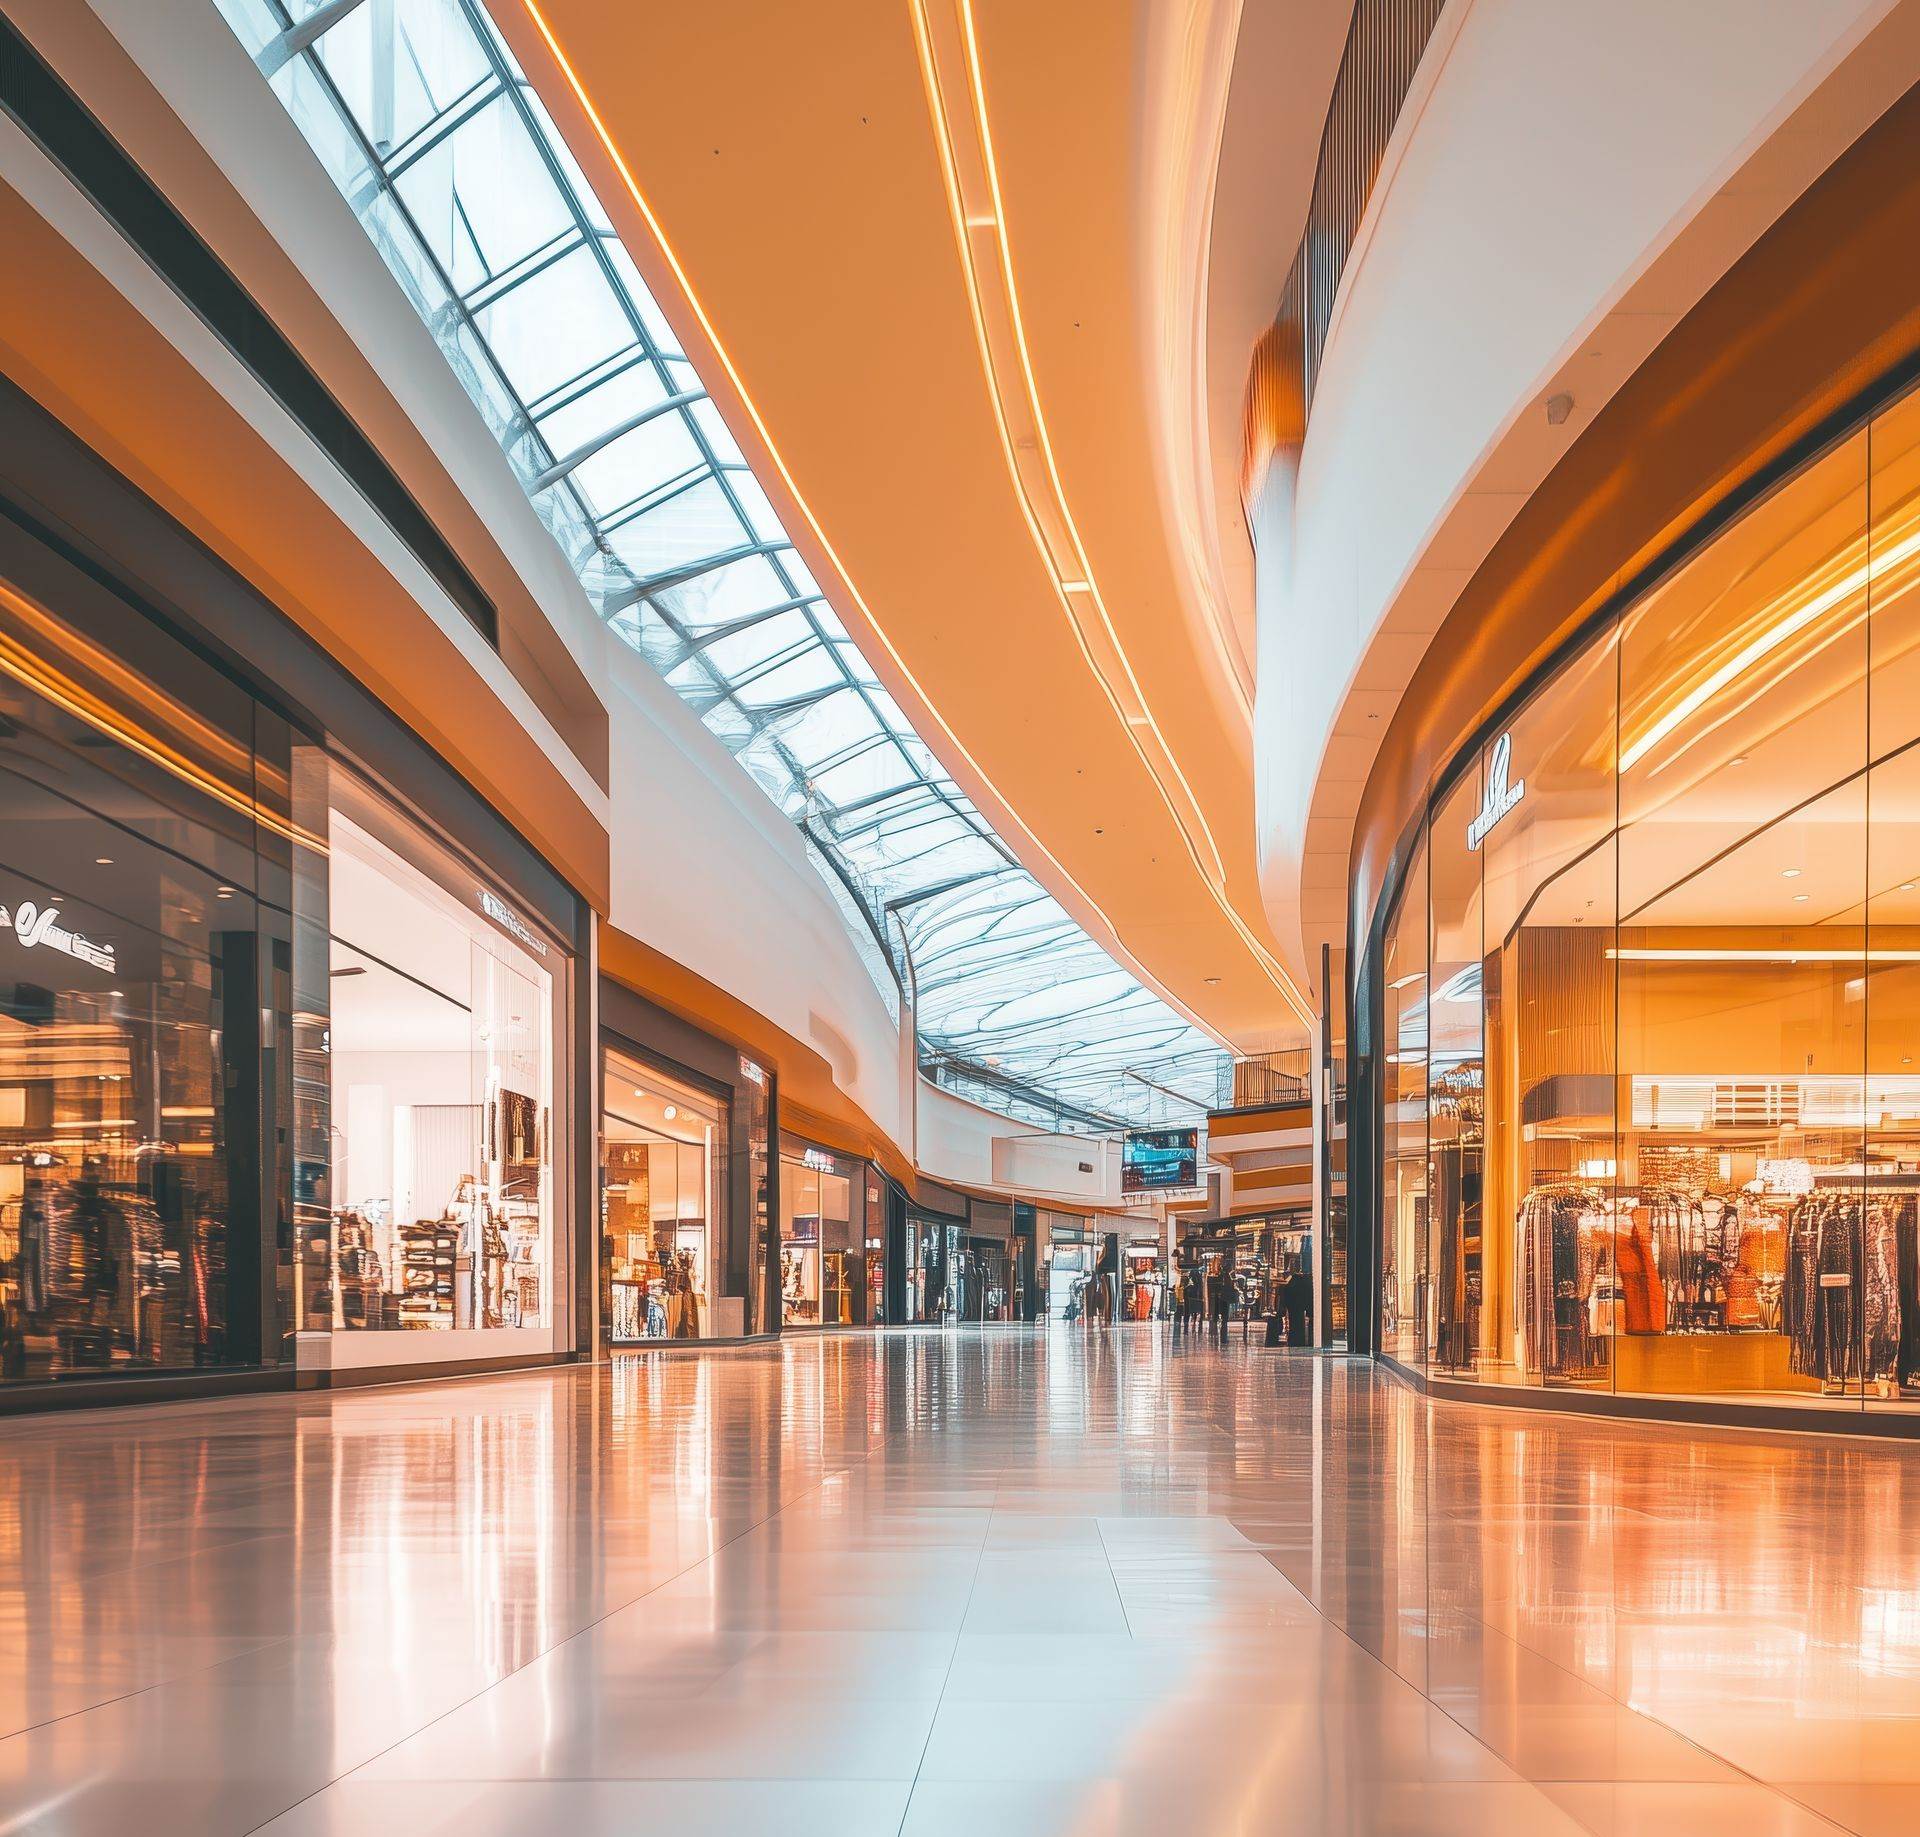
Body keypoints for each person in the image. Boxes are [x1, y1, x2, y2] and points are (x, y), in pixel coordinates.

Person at [1284, 1264, 1313, 1348]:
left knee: (1295, 1321)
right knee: (1299, 1320)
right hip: (1299, 1302)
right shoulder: (1303, 1281)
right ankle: (1302, 1339)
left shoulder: (1293, 1282)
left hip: (1294, 1303)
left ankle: (1295, 1339)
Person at [1209, 1262, 1233, 1345]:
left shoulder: (1224, 1276)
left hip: (1223, 1297)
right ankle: (1223, 1322)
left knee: (1221, 1312)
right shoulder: (1226, 1276)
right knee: (1224, 1313)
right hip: (1224, 1297)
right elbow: (1228, 1286)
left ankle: (1220, 1322)